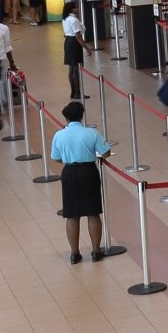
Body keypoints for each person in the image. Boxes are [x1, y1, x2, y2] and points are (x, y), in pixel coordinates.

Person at [50, 100, 113, 263]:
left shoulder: (59, 135)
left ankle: (74, 253)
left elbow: (56, 158)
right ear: (81, 115)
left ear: (66, 118)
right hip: (88, 171)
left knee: (72, 214)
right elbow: (106, 153)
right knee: (93, 212)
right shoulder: (91, 133)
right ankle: (96, 251)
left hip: (69, 173)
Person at [61, 1, 85, 99]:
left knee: (71, 68)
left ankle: (73, 92)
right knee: (76, 69)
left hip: (67, 41)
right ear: (71, 9)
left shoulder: (65, 19)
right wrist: (87, 48)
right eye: (76, 8)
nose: (78, 9)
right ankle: (77, 93)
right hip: (74, 43)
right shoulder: (74, 20)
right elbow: (78, 37)